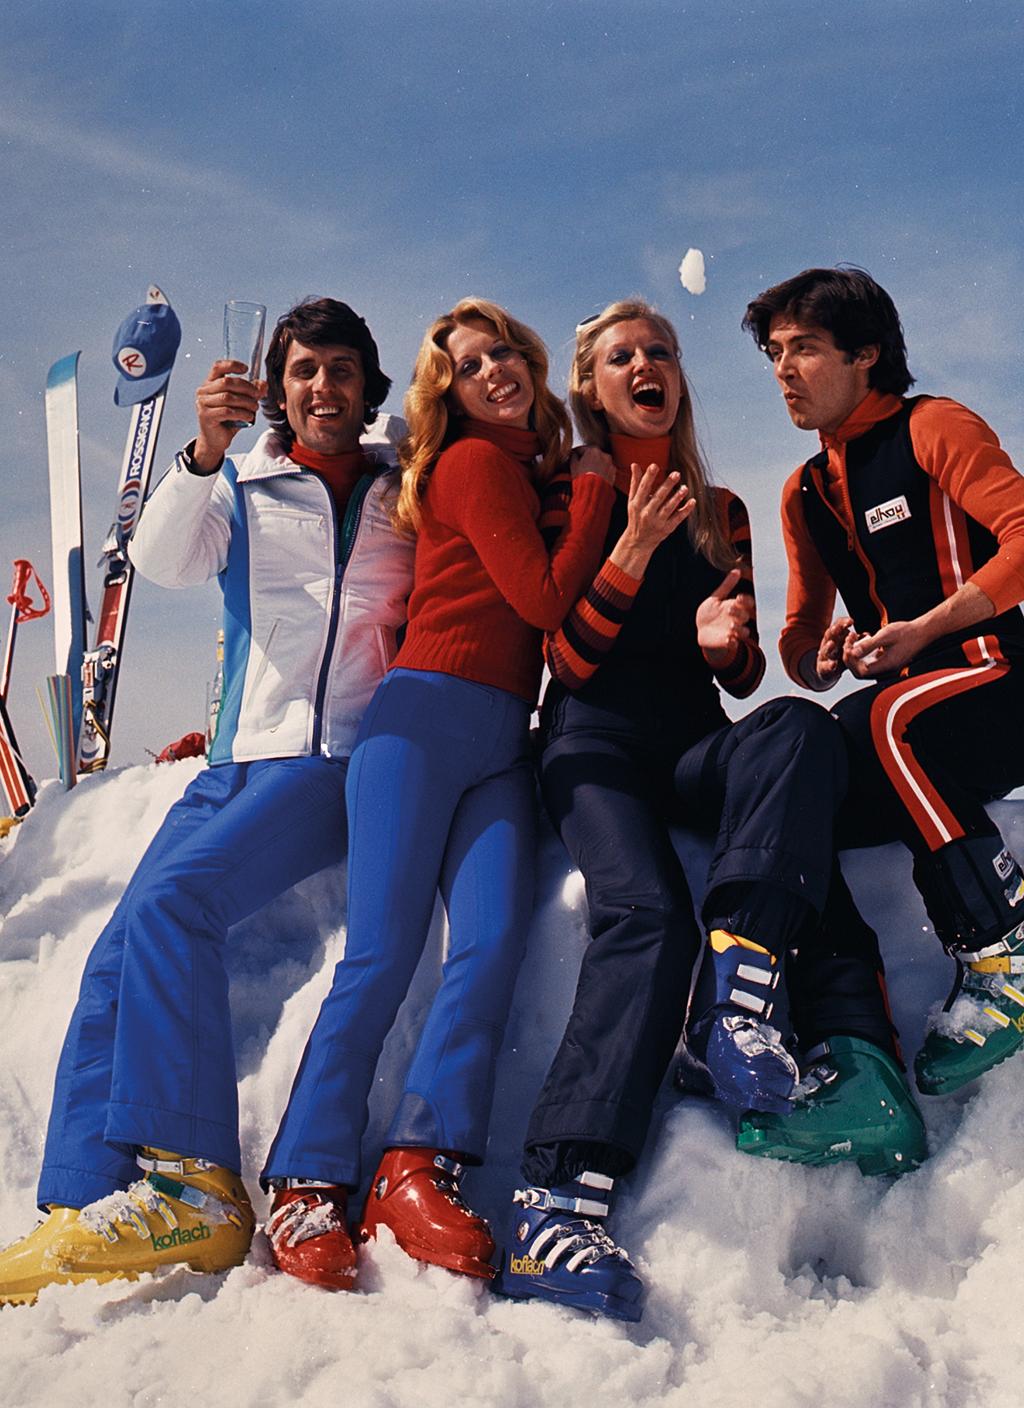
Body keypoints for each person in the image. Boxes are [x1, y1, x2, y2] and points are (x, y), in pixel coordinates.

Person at [494, 300, 921, 1325]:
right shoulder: (578, 488)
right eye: (621, 356)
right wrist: (629, 554)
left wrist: (724, 639)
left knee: (795, 730)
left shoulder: (719, 508)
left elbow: (733, 683)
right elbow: (565, 658)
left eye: (661, 352)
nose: (648, 365)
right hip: (591, 739)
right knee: (643, 915)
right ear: (590, 388)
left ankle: (738, 997)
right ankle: (554, 1197)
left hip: (685, 738)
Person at [0, 297, 414, 1306]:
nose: (324, 387)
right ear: (280, 384)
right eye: (305, 370)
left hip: (332, 762)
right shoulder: (244, 476)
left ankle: (193, 1182)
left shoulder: (404, 488)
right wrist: (199, 452)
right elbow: (163, 560)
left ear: (369, 389)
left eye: (344, 370)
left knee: (177, 908)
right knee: (116, 950)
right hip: (236, 760)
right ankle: (85, 1200)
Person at [259, 297, 638, 1291]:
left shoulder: (527, 472)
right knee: (382, 953)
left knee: (489, 945)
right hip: (419, 725)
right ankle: (304, 1179)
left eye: (505, 349)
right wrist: (599, 492)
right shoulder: (471, 463)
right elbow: (544, 599)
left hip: (500, 743)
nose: (495, 369)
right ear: (450, 393)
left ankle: (415, 1166)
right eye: (470, 364)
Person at [739, 266, 1024, 1138]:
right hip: (906, 712)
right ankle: (858, 1061)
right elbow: (800, 641)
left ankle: (1001, 957)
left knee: (878, 716)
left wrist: (926, 624)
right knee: (794, 795)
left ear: (866, 356)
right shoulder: (802, 490)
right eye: (775, 353)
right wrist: (814, 655)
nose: (784, 370)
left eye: (806, 350)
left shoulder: (933, 425)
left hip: (997, 680)